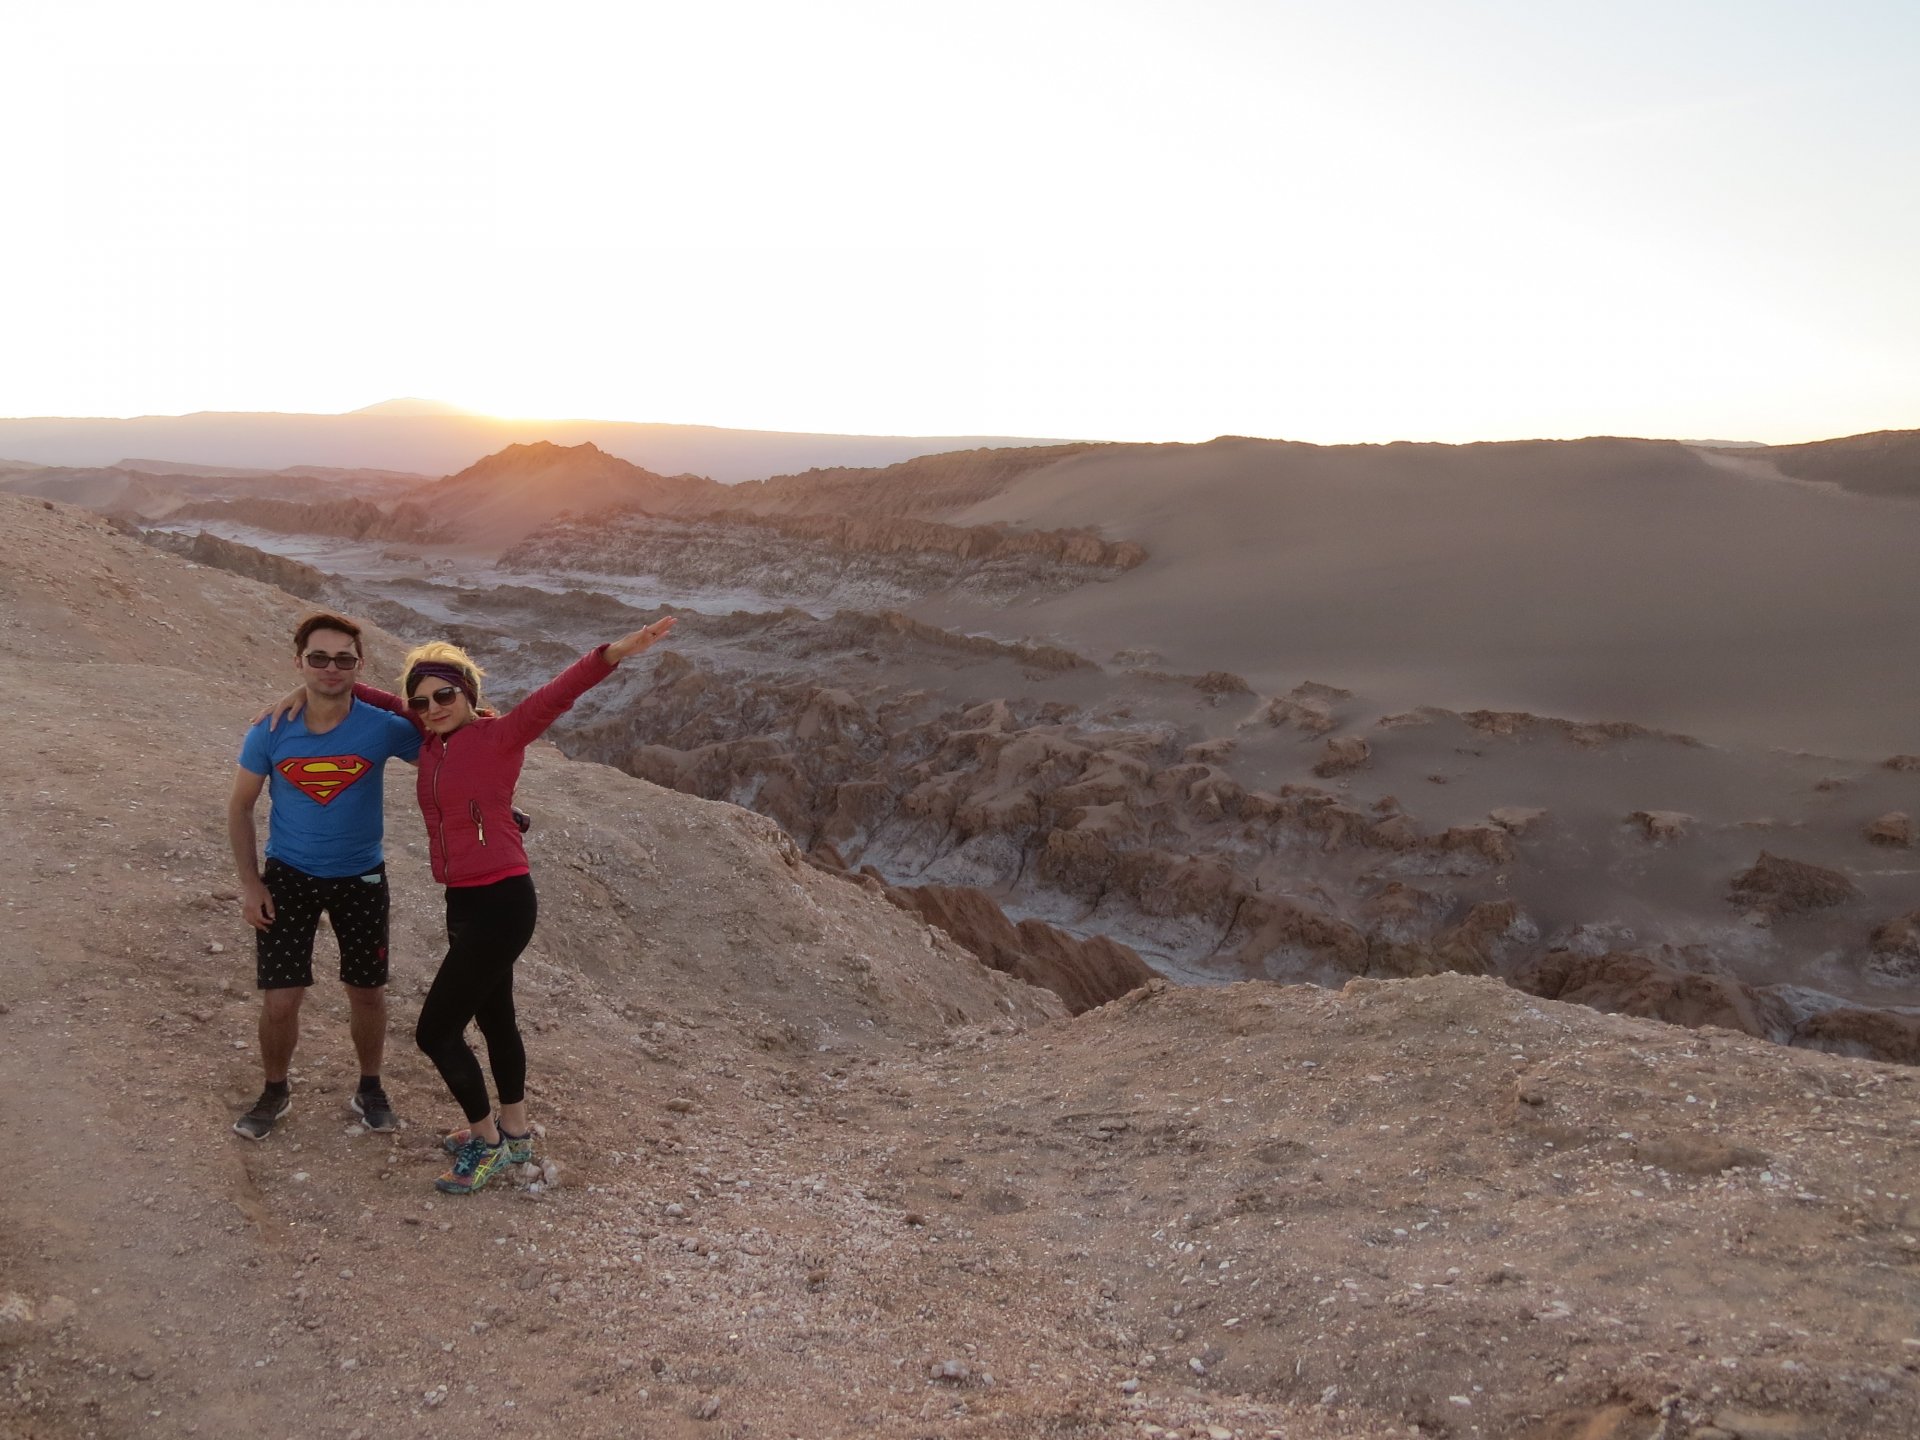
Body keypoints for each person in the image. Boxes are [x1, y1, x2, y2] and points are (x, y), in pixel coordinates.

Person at [297, 618, 676, 1193]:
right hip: (463, 901)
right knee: (496, 1018)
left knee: (435, 1032)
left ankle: (488, 1142)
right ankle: (516, 1133)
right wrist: (313, 683)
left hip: (503, 901)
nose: (433, 708)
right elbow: (374, 697)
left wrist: (612, 653)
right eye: (422, 701)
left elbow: (557, 694)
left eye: (444, 695)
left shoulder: (501, 736)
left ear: (468, 694)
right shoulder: (428, 737)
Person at [227, 612, 423, 1140]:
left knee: (367, 992)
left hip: (361, 876)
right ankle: (274, 1090)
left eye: (343, 659)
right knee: (280, 999)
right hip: (288, 875)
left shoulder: (383, 728)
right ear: (299, 662)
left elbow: (446, 751)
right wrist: (251, 884)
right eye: (318, 658)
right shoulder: (270, 730)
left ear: (360, 664)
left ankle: (370, 1086)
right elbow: (240, 806)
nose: (331, 668)